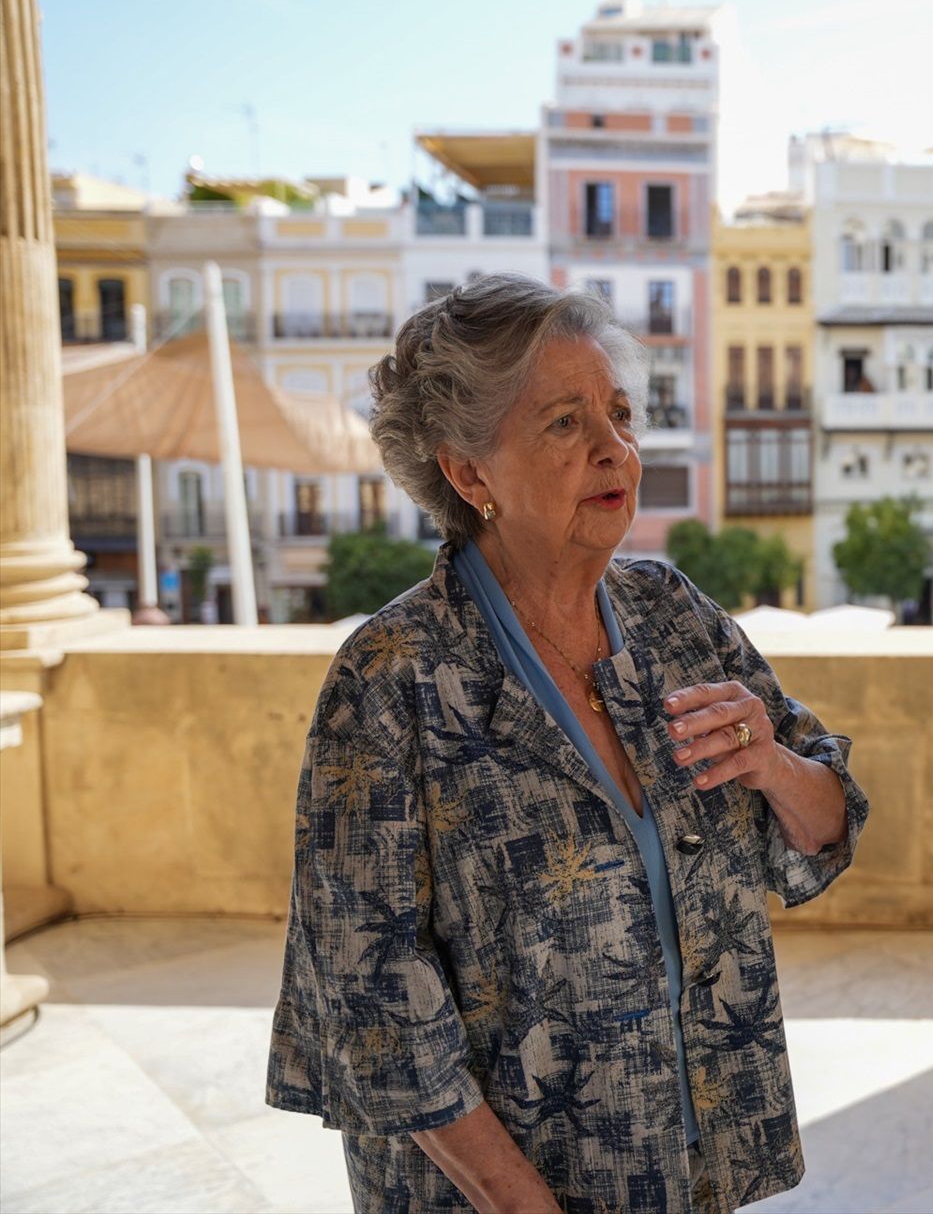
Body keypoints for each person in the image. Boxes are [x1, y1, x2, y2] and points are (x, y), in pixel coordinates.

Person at [266, 273, 867, 1213]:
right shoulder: (390, 677)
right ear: (468, 473)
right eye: (562, 423)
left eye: (619, 414)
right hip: (503, 1193)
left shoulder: (668, 612)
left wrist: (772, 763)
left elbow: (827, 831)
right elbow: (369, 993)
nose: (613, 448)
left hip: (692, 1163)